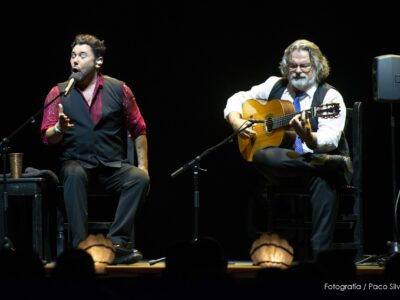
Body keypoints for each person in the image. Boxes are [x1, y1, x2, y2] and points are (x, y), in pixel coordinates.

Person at [224, 39, 352, 257]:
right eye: (293, 66)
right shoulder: (275, 85)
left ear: (317, 67)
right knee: (262, 155)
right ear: (286, 67)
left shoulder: (330, 98)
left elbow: (330, 139)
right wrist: (236, 120)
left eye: (304, 66)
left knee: (324, 181)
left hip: (312, 170)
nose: (298, 70)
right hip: (284, 169)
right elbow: (237, 98)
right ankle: (319, 166)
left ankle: (320, 256)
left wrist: (308, 137)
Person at [40, 33, 150, 264]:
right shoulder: (58, 92)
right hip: (77, 165)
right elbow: (48, 137)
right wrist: (59, 129)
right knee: (72, 172)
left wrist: (143, 167)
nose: (75, 61)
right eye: (72, 56)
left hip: (111, 167)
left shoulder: (119, 89)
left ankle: (116, 244)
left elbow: (138, 129)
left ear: (98, 61)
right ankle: (81, 248)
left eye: (81, 56)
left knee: (139, 178)